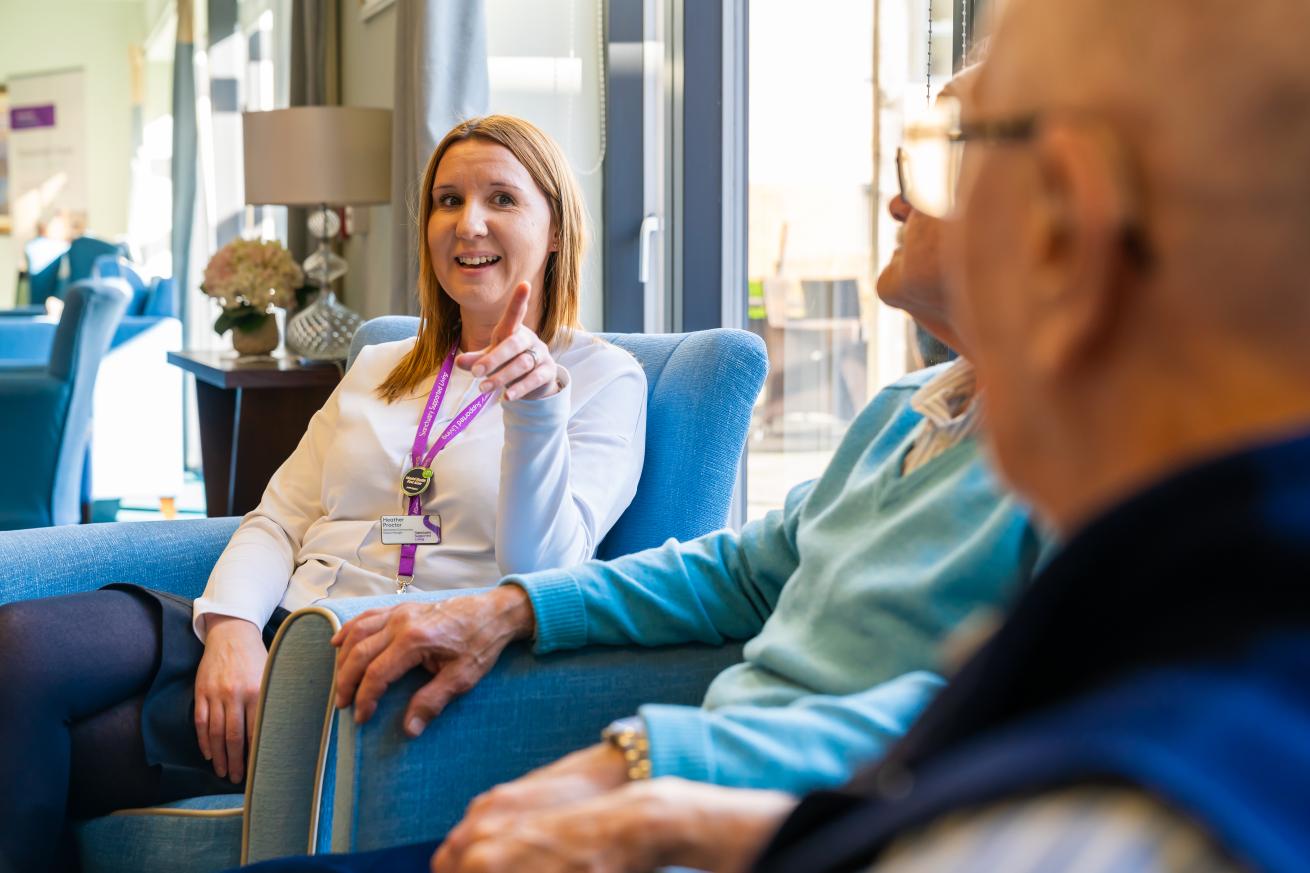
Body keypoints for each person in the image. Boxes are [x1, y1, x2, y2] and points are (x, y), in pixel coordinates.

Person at [234, 71, 1050, 873]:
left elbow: (984, 703)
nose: (897, 202)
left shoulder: (1076, 475)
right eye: (447, 200)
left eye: (940, 165)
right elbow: (736, 569)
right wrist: (508, 610)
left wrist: (637, 767)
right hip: (677, 797)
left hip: (763, 819)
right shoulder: (903, 410)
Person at [0, 114, 647, 873]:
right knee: (20, 644)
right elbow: (279, 516)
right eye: (447, 199)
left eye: (501, 198)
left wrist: (535, 413)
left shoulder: (601, 380)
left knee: (45, 746)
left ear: (557, 227)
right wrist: (235, 628)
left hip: (363, 664)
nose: (467, 222)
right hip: (272, 623)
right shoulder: (379, 363)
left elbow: (544, 573)